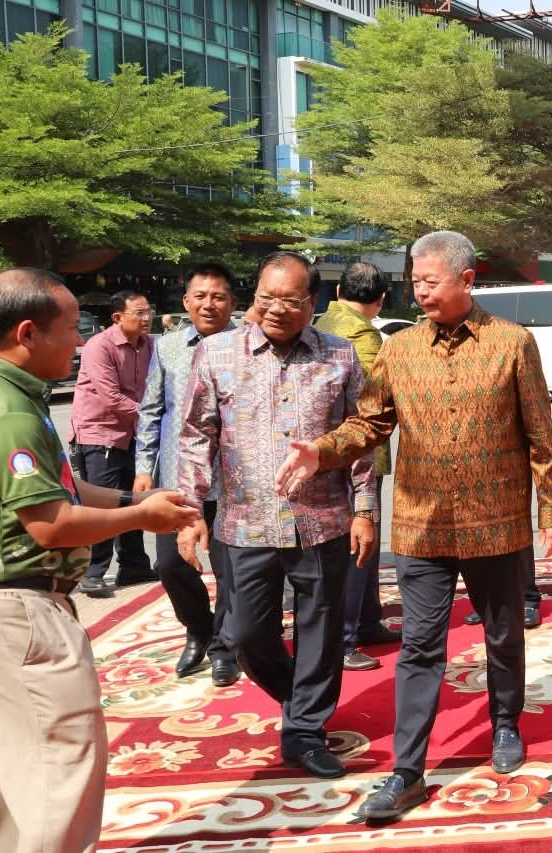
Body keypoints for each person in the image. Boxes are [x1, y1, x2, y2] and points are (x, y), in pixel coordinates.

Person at [274, 231, 552, 821]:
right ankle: (407, 771)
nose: (420, 291)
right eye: (415, 282)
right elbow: (370, 424)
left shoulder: (513, 344)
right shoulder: (399, 349)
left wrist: (550, 508)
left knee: (502, 634)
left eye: (431, 281)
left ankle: (505, 722)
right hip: (421, 526)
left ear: (467, 280)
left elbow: (540, 432)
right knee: (420, 647)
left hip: (495, 522)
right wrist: (323, 451)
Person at [0, 269, 199, 853]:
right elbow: (50, 524)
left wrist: (133, 500)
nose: (80, 342)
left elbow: (59, 491)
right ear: (27, 333)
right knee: (59, 769)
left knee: (14, 768)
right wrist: (141, 519)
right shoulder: (7, 411)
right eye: (71, 329)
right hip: (17, 609)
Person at [177, 251, 378, 781]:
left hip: (323, 519)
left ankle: (304, 731)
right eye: (267, 297)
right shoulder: (217, 353)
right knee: (245, 632)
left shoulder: (339, 354)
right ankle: (299, 695)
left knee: (321, 629)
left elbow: (361, 435)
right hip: (246, 522)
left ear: (312, 303)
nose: (276, 309)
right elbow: (196, 436)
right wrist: (190, 510)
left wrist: (365, 508)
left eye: (290, 300)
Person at [135, 263, 241, 687]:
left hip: (232, 479)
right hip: (177, 479)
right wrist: (143, 468)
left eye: (218, 297)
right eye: (200, 296)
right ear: (186, 302)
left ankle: (224, 648)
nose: (209, 304)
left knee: (231, 571)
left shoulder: (248, 345)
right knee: (169, 565)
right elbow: (151, 410)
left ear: (232, 302)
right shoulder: (168, 347)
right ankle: (198, 628)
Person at [314, 261, 404, 670]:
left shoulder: (323, 322)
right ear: (381, 299)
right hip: (358, 450)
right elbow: (374, 398)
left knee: (360, 541)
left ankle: (367, 620)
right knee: (358, 540)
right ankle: (347, 636)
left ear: (337, 292)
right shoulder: (363, 336)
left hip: (326, 447)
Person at [70, 288, 158, 597]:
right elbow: (111, 398)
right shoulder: (100, 346)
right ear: (118, 317)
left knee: (132, 499)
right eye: (140, 313)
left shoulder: (151, 344)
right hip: (99, 433)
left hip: (133, 432)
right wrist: (152, 414)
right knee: (102, 503)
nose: (147, 318)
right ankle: (93, 571)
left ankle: (133, 566)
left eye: (149, 311)